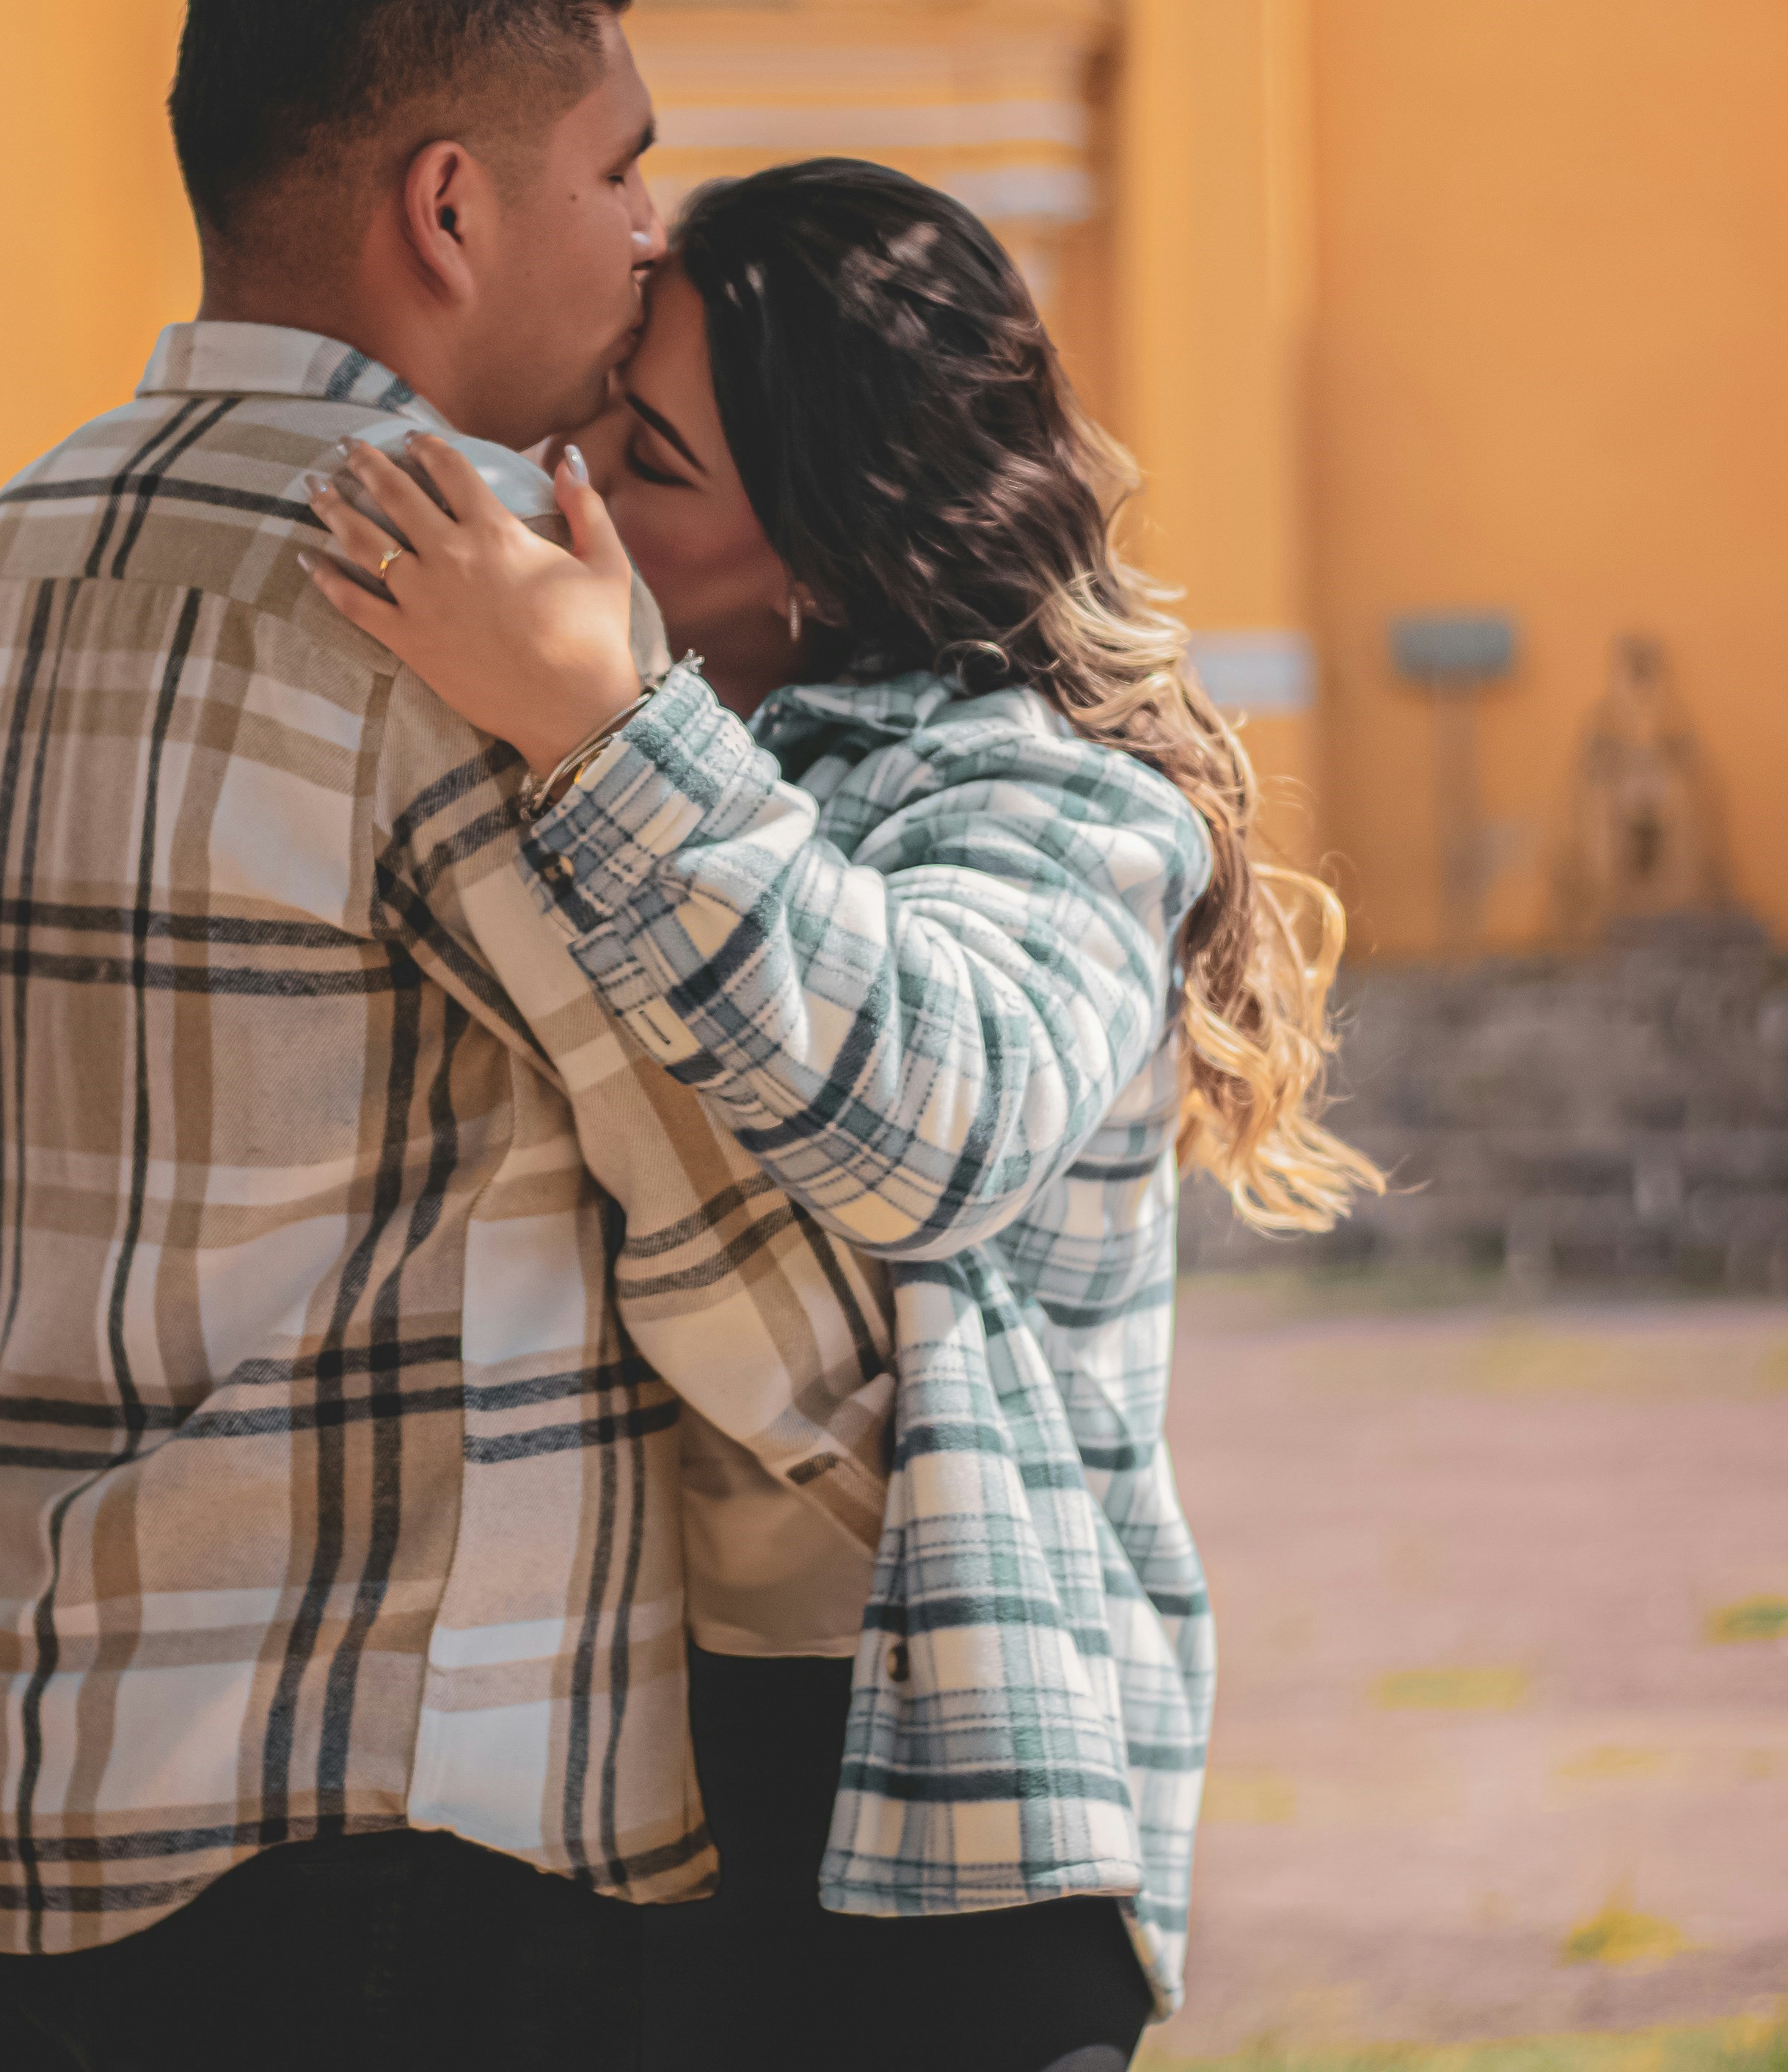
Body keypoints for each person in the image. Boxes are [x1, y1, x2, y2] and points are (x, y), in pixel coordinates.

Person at [0, 0, 896, 2072]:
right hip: (376, 1831)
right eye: (617, 170)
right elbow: (720, 1212)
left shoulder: (17, 547)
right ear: (449, 209)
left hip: (2, 1789)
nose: (651, 235)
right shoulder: (455, 578)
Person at [305, 159, 1384, 2071]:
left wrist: (600, 730)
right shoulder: (661, 751)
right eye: (596, 415)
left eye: (648, 456)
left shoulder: (1052, 799)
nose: (572, 479)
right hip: (628, 1744)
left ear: (821, 544)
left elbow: (937, 1129)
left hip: (941, 1796)